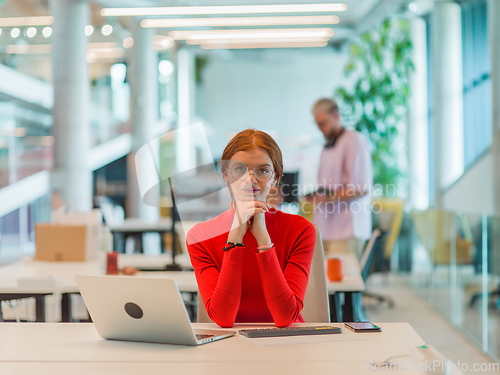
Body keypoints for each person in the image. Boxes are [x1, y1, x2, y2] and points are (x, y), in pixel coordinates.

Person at [186, 129, 316, 328]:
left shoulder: (300, 231)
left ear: (275, 179)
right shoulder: (201, 236)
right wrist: (235, 237)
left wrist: (263, 239)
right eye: (239, 169)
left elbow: (285, 317)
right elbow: (223, 318)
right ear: (226, 176)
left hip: (287, 344)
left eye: (263, 170)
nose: (251, 179)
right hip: (229, 346)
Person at [310, 98, 372, 258]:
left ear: (336, 116)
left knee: (345, 281)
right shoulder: (327, 145)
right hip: (326, 227)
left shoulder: (353, 141)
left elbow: (361, 188)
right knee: (324, 280)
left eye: (323, 123)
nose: (320, 129)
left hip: (347, 227)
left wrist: (329, 197)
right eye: (317, 124)